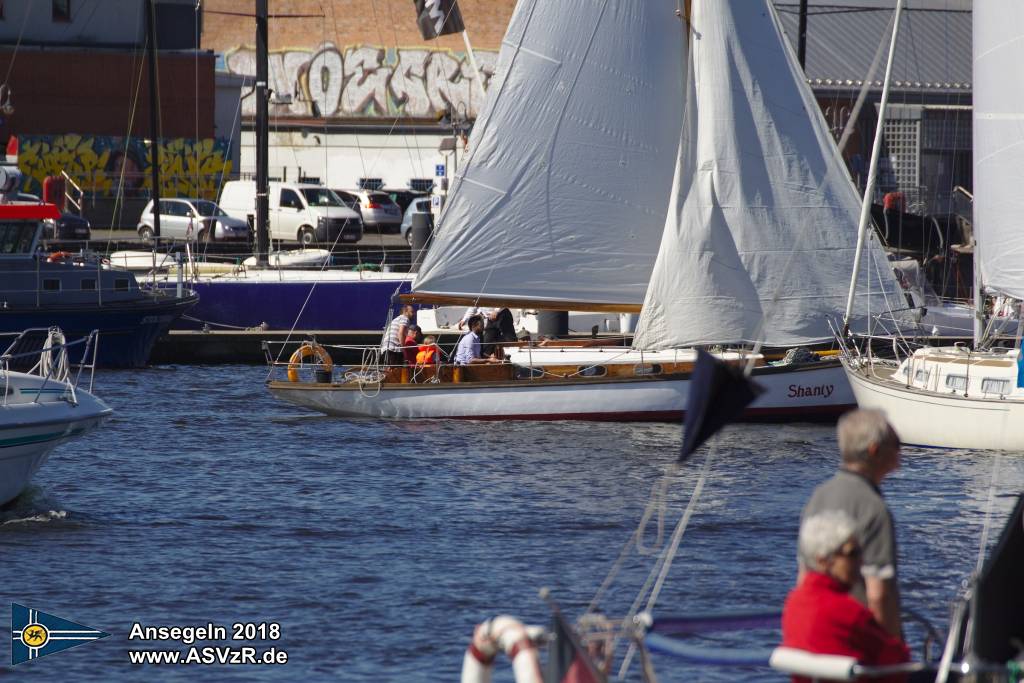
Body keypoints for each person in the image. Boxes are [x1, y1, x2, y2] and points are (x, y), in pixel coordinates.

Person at [800, 408, 903, 637]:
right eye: (896, 444)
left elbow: (804, 576)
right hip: (856, 639)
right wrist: (893, 652)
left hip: (815, 634)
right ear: (875, 450)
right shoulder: (873, 508)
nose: (900, 453)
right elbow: (878, 595)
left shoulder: (817, 497)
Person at [782, 511, 910, 683]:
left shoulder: (794, 603)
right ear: (824, 561)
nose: (861, 561)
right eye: (852, 554)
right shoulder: (849, 613)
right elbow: (897, 660)